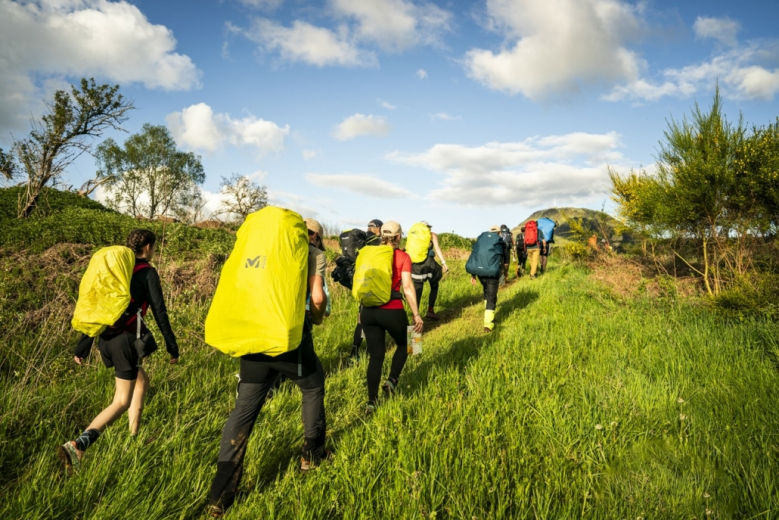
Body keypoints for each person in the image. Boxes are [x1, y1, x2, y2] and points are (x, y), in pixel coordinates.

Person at [207, 217, 329, 516]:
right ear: (311, 236)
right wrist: (314, 317)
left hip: (252, 339)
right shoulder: (313, 254)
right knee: (312, 387)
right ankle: (311, 455)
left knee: (244, 409)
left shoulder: (259, 252)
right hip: (289, 341)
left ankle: (220, 495)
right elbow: (317, 297)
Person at [59, 229, 179, 472]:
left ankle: (133, 437)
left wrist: (83, 345)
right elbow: (160, 312)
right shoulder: (147, 273)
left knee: (141, 381)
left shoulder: (116, 272)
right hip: (125, 342)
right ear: (147, 248)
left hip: (106, 340)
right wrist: (172, 345)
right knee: (121, 400)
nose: (153, 252)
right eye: (153, 248)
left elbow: (101, 309)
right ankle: (78, 445)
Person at [360, 221, 423, 413]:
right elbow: (407, 287)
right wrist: (416, 315)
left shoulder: (369, 253)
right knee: (411, 341)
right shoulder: (403, 256)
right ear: (398, 237)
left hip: (368, 311)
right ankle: (393, 379)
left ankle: (372, 402)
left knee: (375, 356)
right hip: (392, 309)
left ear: (381, 236)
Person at [349, 219, 383, 360]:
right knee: (411, 320)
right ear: (379, 228)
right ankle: (415, 350)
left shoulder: (361, 241)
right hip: (379, 289)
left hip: (362, 284)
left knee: (362, 320)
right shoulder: (378, 244)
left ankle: (354, 353)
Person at [470, 226, 507, 333]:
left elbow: (475, 258)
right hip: (492, 273)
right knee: (492, 296)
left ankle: (489, 315)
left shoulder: (482, 242)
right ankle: (488, 324)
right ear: (499, 233)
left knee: (486, 291)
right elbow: (505, 260)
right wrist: (503, 272)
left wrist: (473, 275)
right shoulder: (500, 243)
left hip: (480, 273)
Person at [410, 221, 448, 320]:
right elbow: (437, 248)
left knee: (418, 291)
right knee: (434, 285)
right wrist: (444, 263)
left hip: (416, 265)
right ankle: (430, 311)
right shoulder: (431, 235)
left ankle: (415, 317)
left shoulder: (414, 236)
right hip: (429, 264)